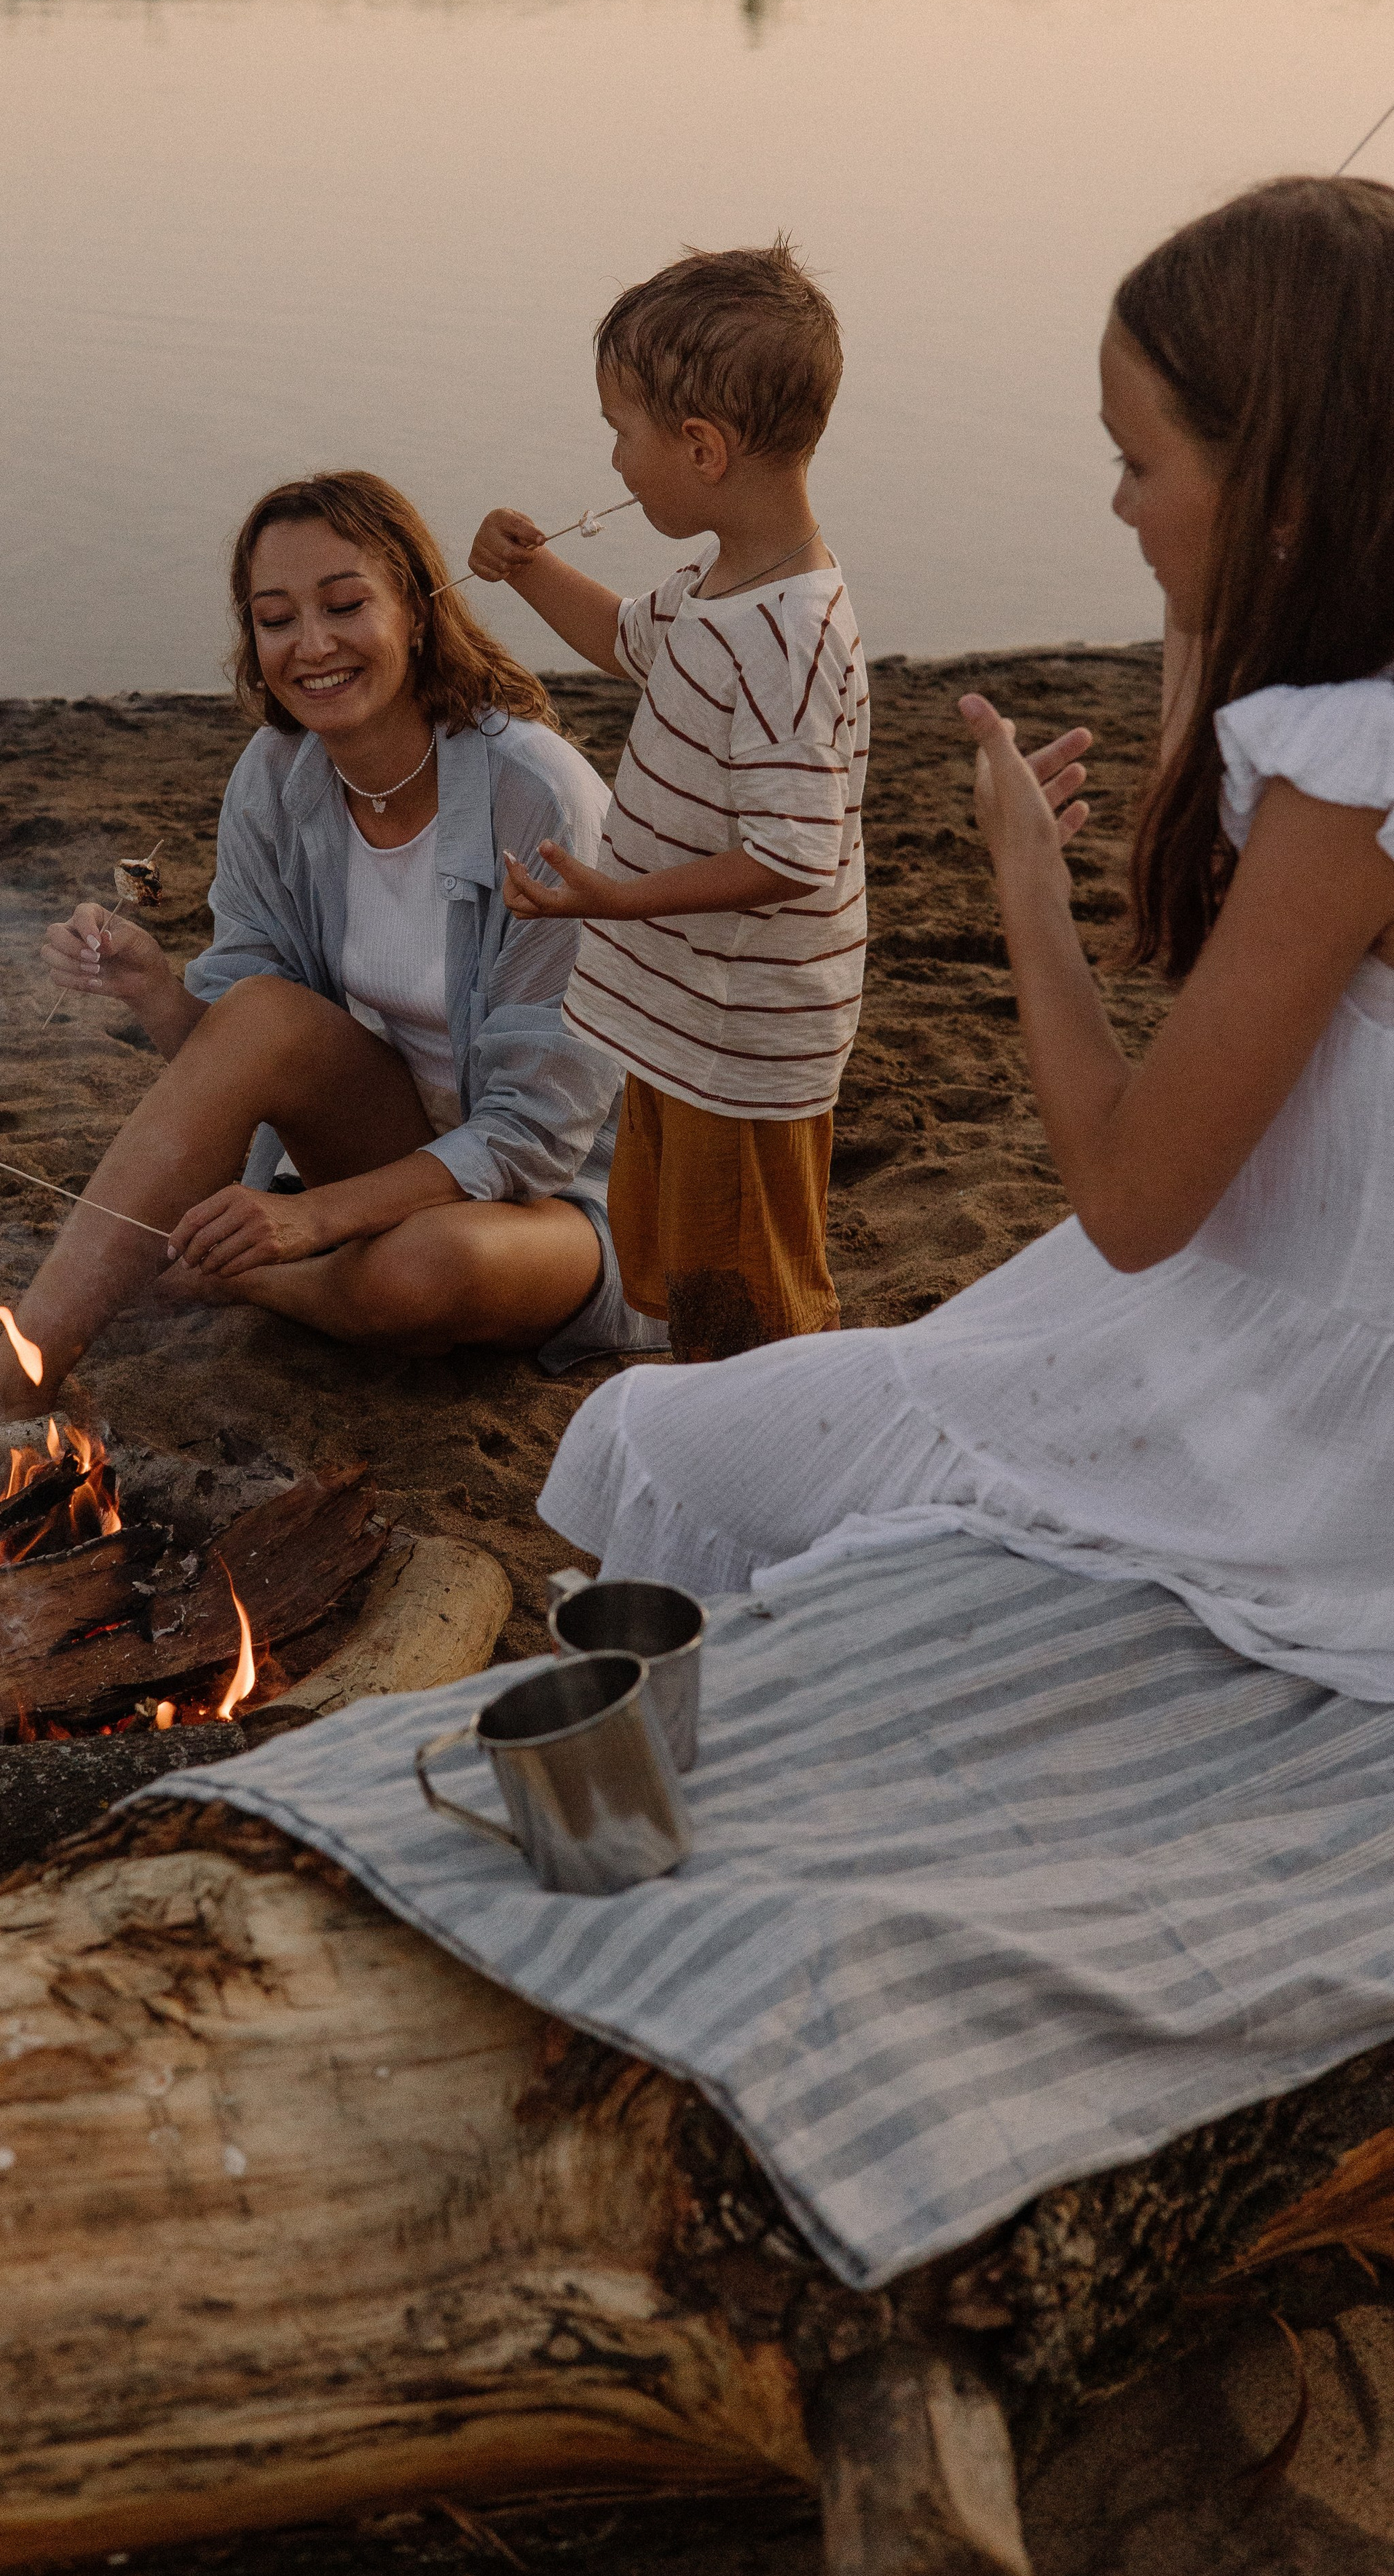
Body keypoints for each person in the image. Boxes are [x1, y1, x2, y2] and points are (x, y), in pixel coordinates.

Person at [538, 175, 1394, 1701]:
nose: (1115, 505)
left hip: (1301, 1406)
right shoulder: (1340, 709)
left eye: (1136, 464)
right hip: (1285, 1301)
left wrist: (1020, 886)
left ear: (1278, 497)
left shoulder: (1352, 769)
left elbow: (1132, 1204)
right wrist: (1219, 600)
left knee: (649, 1442)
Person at [0, 472, 663, 1431]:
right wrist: (153, 993)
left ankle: (244, 1281)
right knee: (261, 1006)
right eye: (276, 619)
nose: (312, 646)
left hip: (575, 1198)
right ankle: (14, 1381)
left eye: (346, 606)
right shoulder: (277, 778)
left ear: (419, 610)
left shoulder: (538, 798)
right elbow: (242, 1053)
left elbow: (532, 1139)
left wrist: (303, 1222)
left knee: (424, 1269)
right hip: (394, 1146)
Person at [469, 242, 870, 1362]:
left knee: (748, 1301)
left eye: (622, 432)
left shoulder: (785, 639)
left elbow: (792, 855)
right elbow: (619, 641)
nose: (614, 457)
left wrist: (617, 896)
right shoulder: (714, 587)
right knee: (682, 1269)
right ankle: (709, 1428)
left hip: (745, 1040)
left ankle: (765, 1463)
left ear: (701, 448)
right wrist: (529, 568)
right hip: (685, 1022)